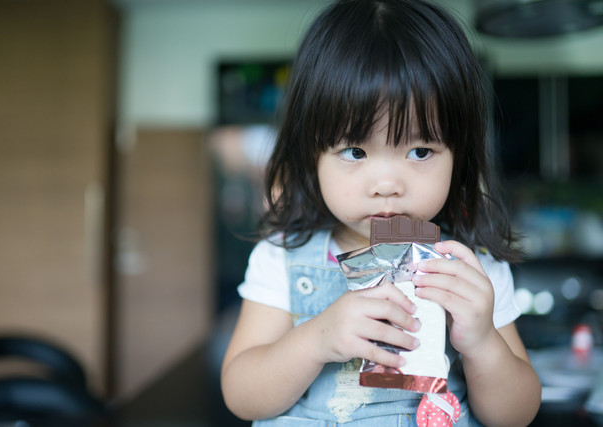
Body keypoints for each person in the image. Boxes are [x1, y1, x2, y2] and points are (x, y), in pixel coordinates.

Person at [221, 0, 542, 425]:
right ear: (311, 155)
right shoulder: (282, 258)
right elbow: (242, 395)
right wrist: (317, 339)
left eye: (420, 150)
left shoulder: (472, 267)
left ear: (459, 157)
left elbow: (516, 416)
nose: (387, 184)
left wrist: (482, 342)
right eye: (355, 151)